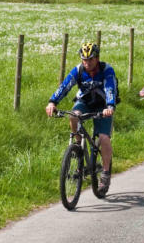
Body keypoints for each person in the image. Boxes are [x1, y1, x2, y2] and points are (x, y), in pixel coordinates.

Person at [45, 42, 117, 194]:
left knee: (103, 137)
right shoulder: (78, 70)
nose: (87, 62)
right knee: (73, 116)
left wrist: (110, 106)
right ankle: (78, 149)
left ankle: (105, 173)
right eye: (84, 59)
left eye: (90, 59)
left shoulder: (106, 70)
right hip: (84, 102)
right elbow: (64, 86)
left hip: (103, 105)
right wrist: (52, 102)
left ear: (97, 58)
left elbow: (110, 88)